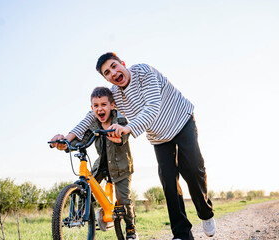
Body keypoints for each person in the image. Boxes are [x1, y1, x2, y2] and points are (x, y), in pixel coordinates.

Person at [71, 52, 215, 240]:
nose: (113, 73)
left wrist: (127, 128)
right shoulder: (114, 94)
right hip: (159, 137)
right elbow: (92, 115)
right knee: (169, 182)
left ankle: (205, 213)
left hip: (181, 121)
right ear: (106, 78)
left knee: (193, 171)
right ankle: (182, 234)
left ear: (123, 63)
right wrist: (70, 135)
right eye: (107, 72)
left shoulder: (144, 72)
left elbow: (153, 107)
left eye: (114, 66)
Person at [50, 86, 138, 240]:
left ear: (112, 105)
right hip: (102, 164)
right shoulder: (93, 124)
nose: (100, 109)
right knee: (87, 185)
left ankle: (131, 228)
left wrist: (117, 135)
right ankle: (81, 214)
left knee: (124, 199)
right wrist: (63, 144)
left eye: (104, 104)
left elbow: (123, 136)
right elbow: (80, 140)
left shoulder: (120, 118)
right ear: (92, 108)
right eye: (96, 106)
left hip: (121, 166)